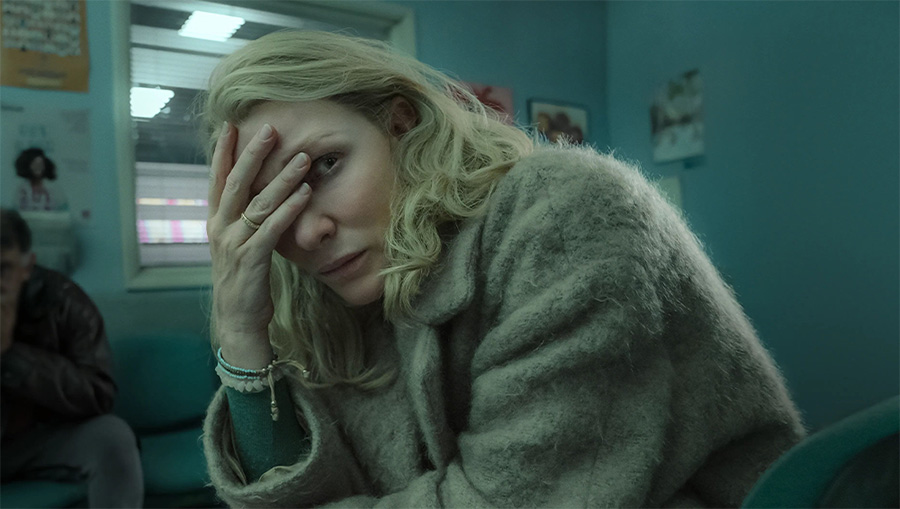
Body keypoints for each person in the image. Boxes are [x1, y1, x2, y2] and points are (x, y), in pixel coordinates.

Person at [201, 31, 805, 507]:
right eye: (271, 204)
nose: (307, 232)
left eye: (326, 165)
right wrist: (241, 335)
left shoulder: (566, 212)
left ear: (400, 124)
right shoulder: (326, 301)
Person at [0, 208, 143, 508]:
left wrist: (12, 355)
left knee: (112, 436)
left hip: (44, 437)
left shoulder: (64, 301)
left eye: (3, 269)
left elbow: (99, 395)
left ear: (27, 266)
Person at [14, 148, 68, 212]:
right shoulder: (22, 189)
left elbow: (63, 211)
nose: (38, 167)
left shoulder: (53, 188)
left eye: (40, 164)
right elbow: (16, 211)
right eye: (35, 164)